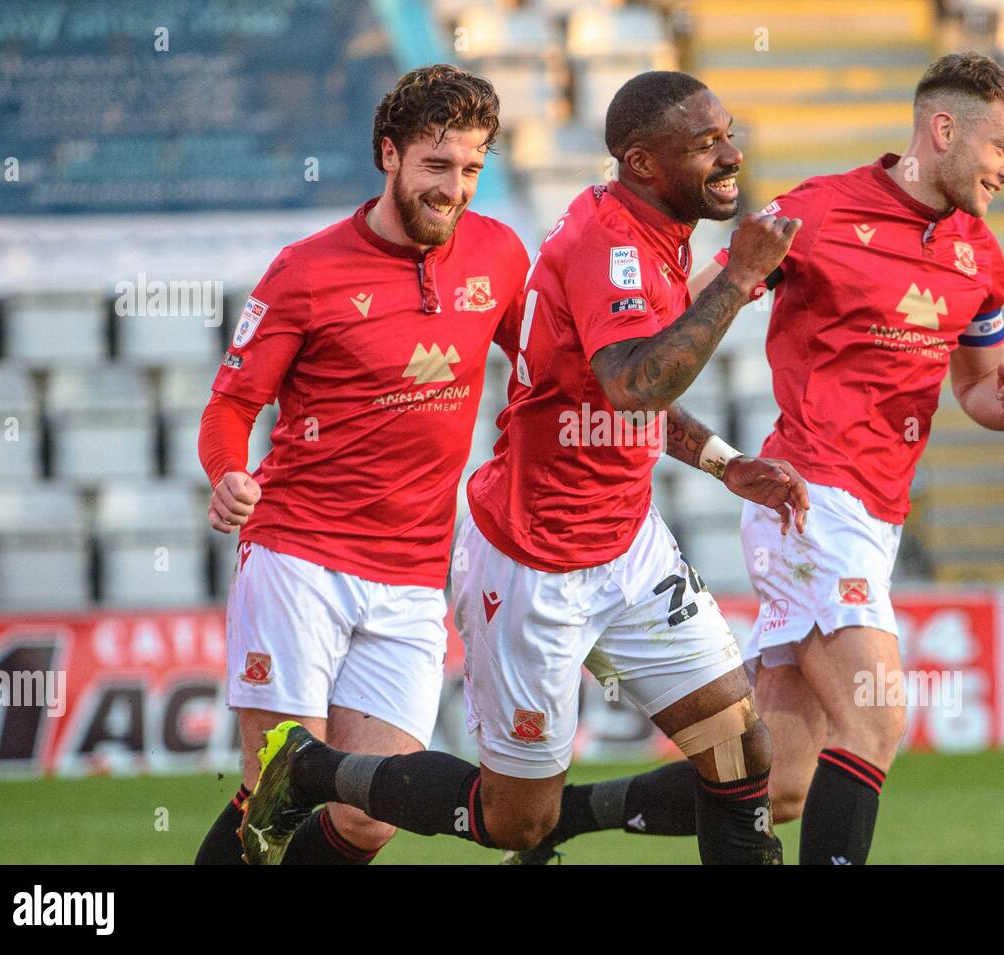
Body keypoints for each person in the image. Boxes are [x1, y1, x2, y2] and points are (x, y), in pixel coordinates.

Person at [240, 70, 808, 865]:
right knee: (516, 822)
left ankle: (568, 813)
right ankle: (313, 769)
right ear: (643, 163)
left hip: (627, 544)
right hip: (534, 560)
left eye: (728, 134)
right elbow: (633, 380)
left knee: (739, 753)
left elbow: (619, 393)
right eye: (706, 144)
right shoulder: (610, 245)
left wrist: (722, 461)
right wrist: (742, 278)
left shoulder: (652, 234)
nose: (731, 155)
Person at [511, 52, 1004, 865]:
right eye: (1003, 148)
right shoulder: (819, 212)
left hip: (878, 516)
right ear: (944, 130)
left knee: (783, 784)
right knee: (877, 716)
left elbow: (977, 384)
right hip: (809, 497)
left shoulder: (982, 256)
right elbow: (686, 311)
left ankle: (564, 817)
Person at [193, 64, 529, 864]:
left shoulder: (501, 254)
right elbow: (230, 406)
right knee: (280, 786)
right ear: (390, 154)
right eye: (437, 166)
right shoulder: (304, 270)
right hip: (299, 554)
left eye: (473, 168)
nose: (455, 189)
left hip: (413, 574)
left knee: (370, 815)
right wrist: (228, 473)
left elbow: (547, 367)